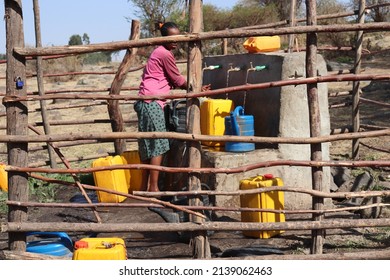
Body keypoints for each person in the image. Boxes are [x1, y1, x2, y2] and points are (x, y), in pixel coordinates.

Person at [134, 22, 210, 192]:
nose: (175, 41)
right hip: (152, 103)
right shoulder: (164, 54)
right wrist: (195, 88)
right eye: (172, 38)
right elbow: (177, 79)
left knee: (148, 145)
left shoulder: (157, 52)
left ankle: (144, 186)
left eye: (177, 37)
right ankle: (154, 188)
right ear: (164, 38)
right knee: (158, 145)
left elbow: (169, 79)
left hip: (145, 101)